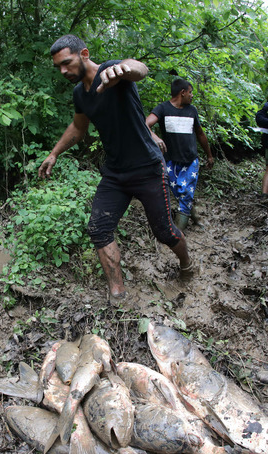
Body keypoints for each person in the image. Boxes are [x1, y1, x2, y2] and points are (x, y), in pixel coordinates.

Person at [38, 35, 194, 302]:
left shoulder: (113, 72)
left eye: (67, 63)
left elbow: (139, 69)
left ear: (83, 54)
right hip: (115, 174)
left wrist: (123, 68)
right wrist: (54, 153)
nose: (63, 71)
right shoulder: (79, 94)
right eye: (58, 67)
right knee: (99, 228)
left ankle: (187, 266)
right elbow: (78, 127)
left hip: (147, 167)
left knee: (164, 232)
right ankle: (118, 294)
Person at [146, 78, 215, 232]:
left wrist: (209, 155)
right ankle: (195, 217)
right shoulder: (163, 109)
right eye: (190, 92)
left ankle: (177, 233)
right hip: (170, 162)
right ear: (182, 93)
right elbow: (145, 124)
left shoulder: (192, 111)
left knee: (186, 194)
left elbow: (200, 134)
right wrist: (155, 137)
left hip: (190, 161)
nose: (192, 96)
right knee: (181, 193)